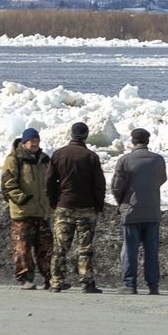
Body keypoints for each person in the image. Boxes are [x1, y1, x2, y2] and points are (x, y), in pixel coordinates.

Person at [46, 120, 106, 293]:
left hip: (63, 206)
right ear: (86, 136)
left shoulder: (58, 154)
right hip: (86, 208)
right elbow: (99, 185)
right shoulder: (91, 157)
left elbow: (49, 182)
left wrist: (54, 202)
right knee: (85, 248)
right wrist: (98, 206)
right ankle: (86, 283)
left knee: (59, 247)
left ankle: (56, 282)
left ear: (71, 135)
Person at [110, 127, 166, 294]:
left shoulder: (125, 160)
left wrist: (121, 202)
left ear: (133, 141)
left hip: (131, 211)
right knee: (151, 250)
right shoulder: (158, 159)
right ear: (147, 141)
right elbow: (162, 179)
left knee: (130, 249)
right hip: (153, 211)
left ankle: (129, 284)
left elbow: (116, 186)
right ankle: (153, 285)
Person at [0, 128, 53, 289]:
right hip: (23, 212)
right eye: (32, 141)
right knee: (23, 248)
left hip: (42, 212)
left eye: (37, 141)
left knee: (46, 247)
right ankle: (25, 278)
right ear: (24, 142)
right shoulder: (14, 159)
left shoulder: (44, 160)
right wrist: (21, 199)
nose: (35, 143)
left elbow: (51, 181)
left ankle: (49, 278)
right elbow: (7, 183)